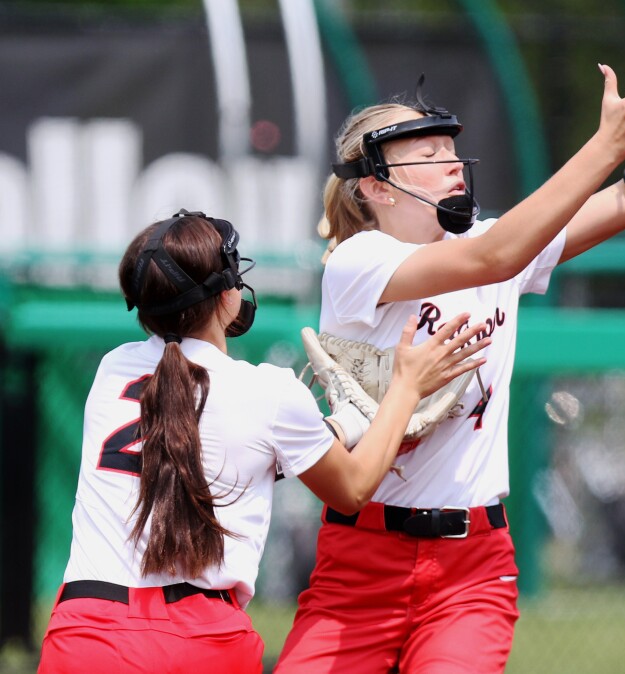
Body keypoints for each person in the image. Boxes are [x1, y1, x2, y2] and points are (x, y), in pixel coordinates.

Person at [275, 65, 625, 674]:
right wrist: (608, 142)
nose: (452, 163)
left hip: (471, 568)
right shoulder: (359, 261)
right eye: (428, 153)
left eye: (451, 149)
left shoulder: (492, 243)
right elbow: (497, 255)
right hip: (361, 561)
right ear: (375, 187)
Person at [37, 210, 489, 674]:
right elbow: (352, 489)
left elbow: (207, 448)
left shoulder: (112, 369)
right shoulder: (269, 392)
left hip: (83, 633)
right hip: (200, 640)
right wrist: (405, 389)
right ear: (226, 295)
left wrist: (344, 425)